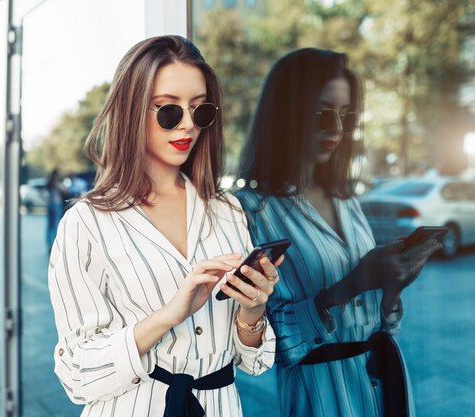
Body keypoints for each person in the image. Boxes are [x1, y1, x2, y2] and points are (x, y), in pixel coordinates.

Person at [48, 35, 282, 417]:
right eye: (168, 111)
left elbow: (254, 362)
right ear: (131, 111)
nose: (188, 126)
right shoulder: (86, 224)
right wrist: (171, 314)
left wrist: (253, 310)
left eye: (200, 111)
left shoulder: (227, 211)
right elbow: (76, 374)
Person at [235, 48, 442, 417]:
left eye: (346, 116)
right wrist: (348, 287)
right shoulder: (250, 210)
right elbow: (258, 346)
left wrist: (392, 288)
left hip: (382, 384)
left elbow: (381, 321)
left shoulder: (345, 199)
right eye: (321, 115)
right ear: (286, 116)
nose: (337, 130)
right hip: (321, 395)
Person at [46, 169, 65, 254]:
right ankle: (51, 244)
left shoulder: (52, 184)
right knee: (53, 226)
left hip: (53, 205)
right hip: (54, 205)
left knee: (51, 226)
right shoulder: (54, 184)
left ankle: (51, 244)